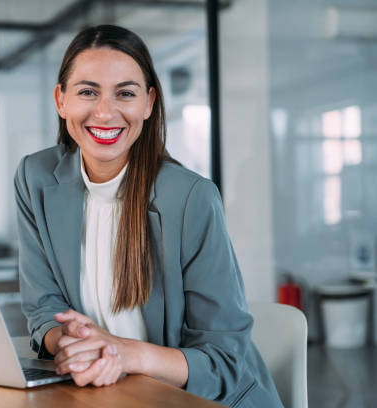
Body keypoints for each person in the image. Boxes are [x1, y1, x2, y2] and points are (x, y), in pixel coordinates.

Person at [14, 25, 282, 407]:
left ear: (148, 103)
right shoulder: (35, 178)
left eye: (125, 93)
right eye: (87, 92)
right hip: (110, 395)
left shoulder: (191, 198)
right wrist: (71, 340)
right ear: (61, 101)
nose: (105, 112)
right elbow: (43, 307)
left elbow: (224, 363)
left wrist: (126, 353)